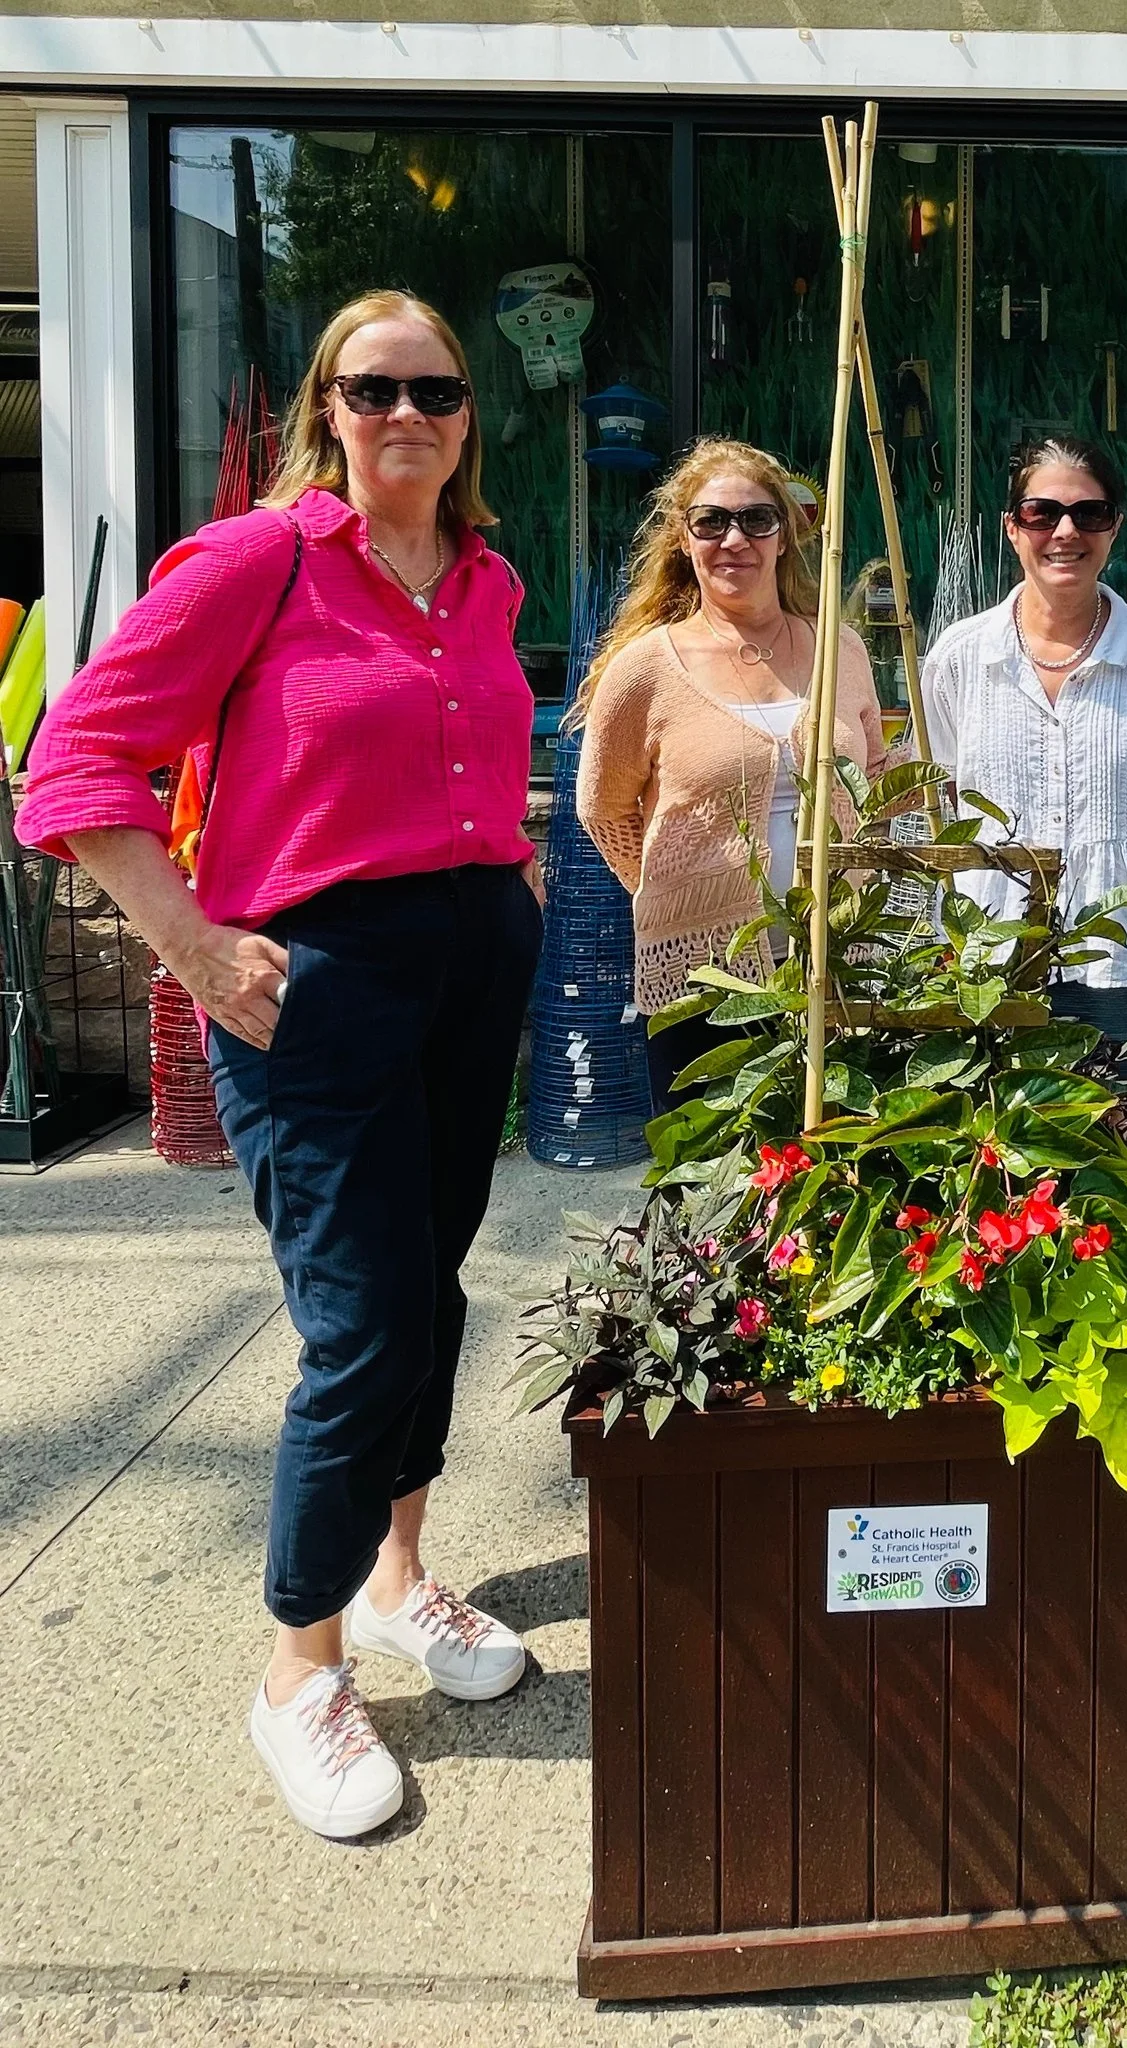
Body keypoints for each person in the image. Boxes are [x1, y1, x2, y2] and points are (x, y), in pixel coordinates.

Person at [17, 289, 544, 1840]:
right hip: (311, 987)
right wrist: (188, 942)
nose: (408, 415)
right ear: (328, 406)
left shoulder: (490, 580)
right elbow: (76, 763)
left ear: (465, 417)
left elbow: (460, 752)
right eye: (375, 388)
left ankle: (396, 1583)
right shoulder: (258, 561)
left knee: (428, 1286)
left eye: (436, 390)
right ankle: (296, 1666)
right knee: (362, 1321)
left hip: (466, 968)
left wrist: (499, 869)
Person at [573, 437, 895, 1113]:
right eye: (711, 521)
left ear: (785, 536)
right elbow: (603, 808)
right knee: (715, 1189)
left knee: (831, 1178)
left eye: (755, 519)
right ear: (684, 540)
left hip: (835, 961)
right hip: (703, 979)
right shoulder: (647, 668)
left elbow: (870, 775)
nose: (733, 539)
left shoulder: (841, 650)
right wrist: (677, 894)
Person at [920, 435, 1127, 1070]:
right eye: (1041, 513)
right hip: (991, 966)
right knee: (992, 1160)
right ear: (1012, 528)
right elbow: (946, 791)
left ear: (1113, 528)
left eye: (1088, 513)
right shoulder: (960, 658)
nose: (1065, 531)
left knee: (1126, 1155)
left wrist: (1114, 872)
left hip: (1122, 965)